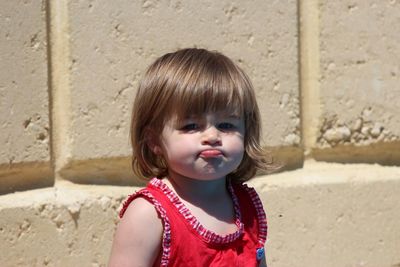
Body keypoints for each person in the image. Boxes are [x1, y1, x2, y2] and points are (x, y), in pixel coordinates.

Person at [108, 48, 274, 267]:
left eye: (226, 125)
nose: (212, 136)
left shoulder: (246, 208)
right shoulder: (148, 215)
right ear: (154, 140)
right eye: (191, 126)